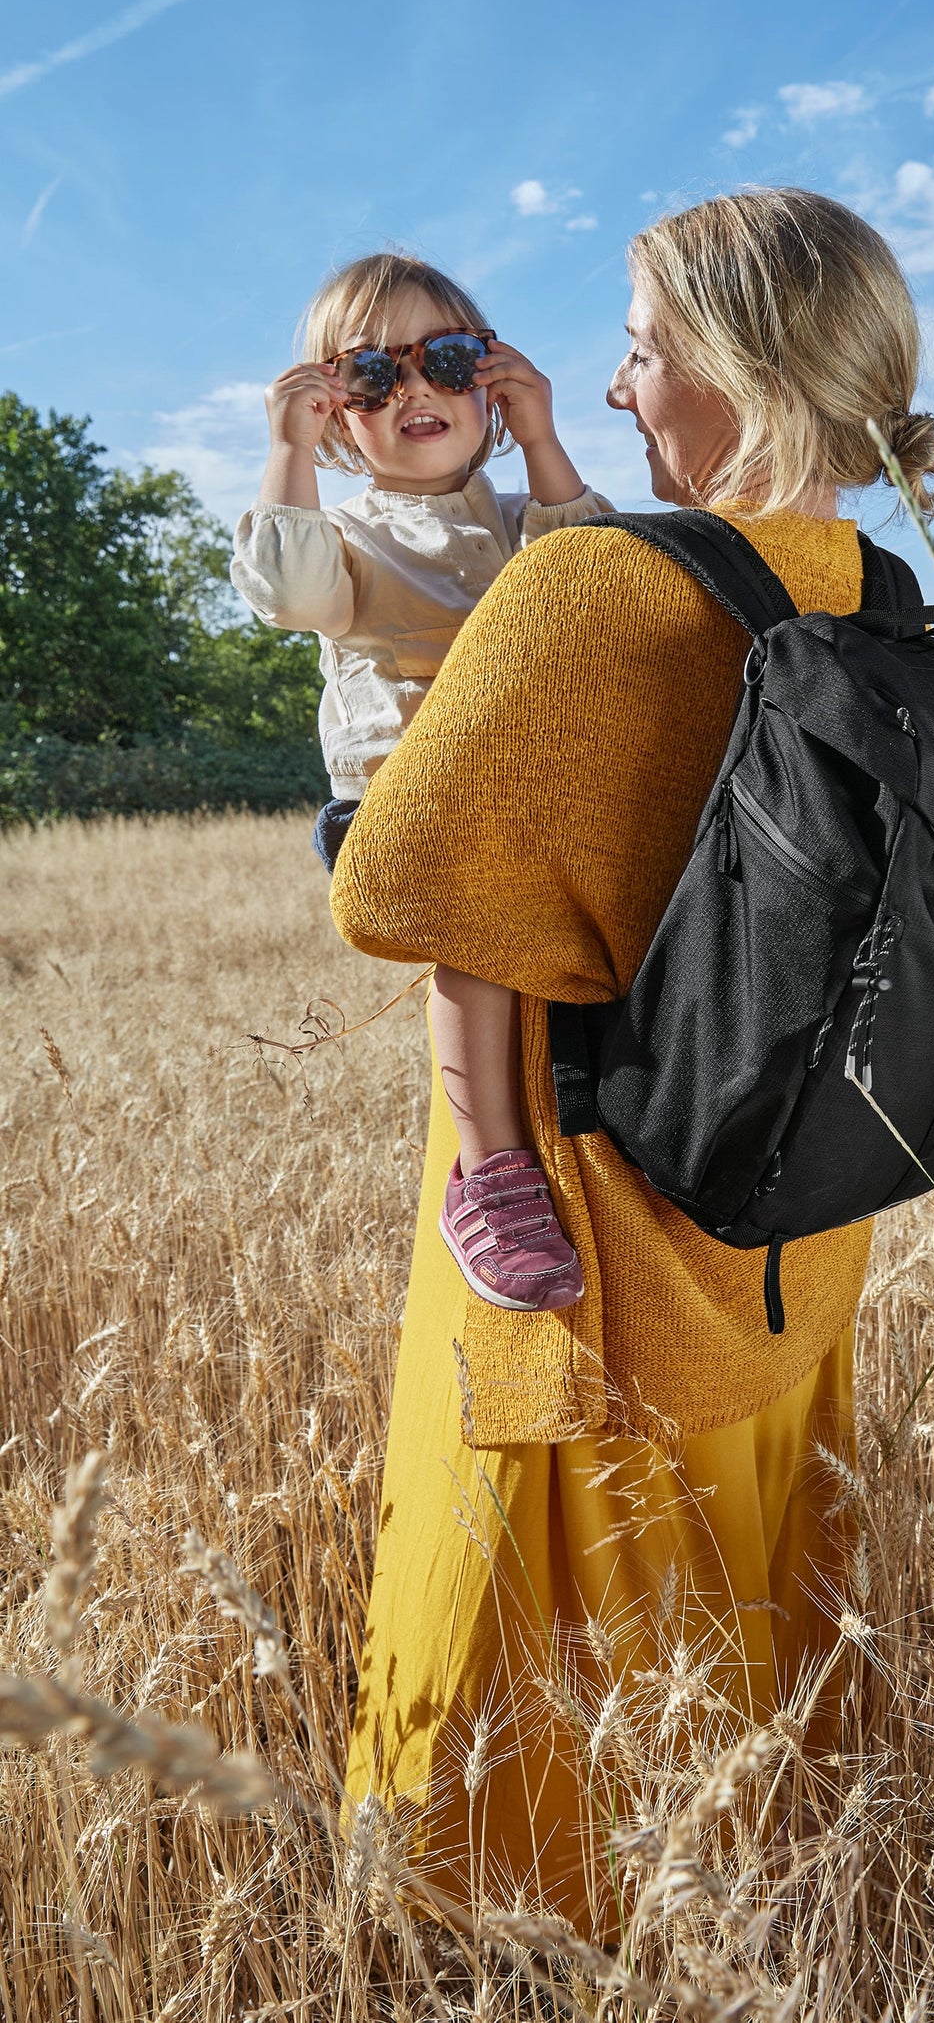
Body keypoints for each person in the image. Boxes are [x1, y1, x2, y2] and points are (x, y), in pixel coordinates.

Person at [329, 189, 934, 1926]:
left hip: (576, 1208)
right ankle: (760, 1878)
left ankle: (526, 1930)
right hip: (801, 1194)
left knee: (538, 1602)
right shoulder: (877, 590)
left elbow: (395, 880)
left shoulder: (596, 591)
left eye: (643, 349)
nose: (610, 392)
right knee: (751, 1561)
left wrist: (495, 1164)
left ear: (741, 372)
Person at [233, 251, 605, 1313]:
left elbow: (594, 583)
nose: (413, 393)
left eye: (445, 358)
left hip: (534, 800)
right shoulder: (346, 536)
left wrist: (541, 442)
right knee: (478, 934)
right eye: (367, 380)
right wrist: (284, 453)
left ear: (487, 378)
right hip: (408, 816)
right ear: (336, 416)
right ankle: (491, 1173)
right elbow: (287, 589)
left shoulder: (514, 518)